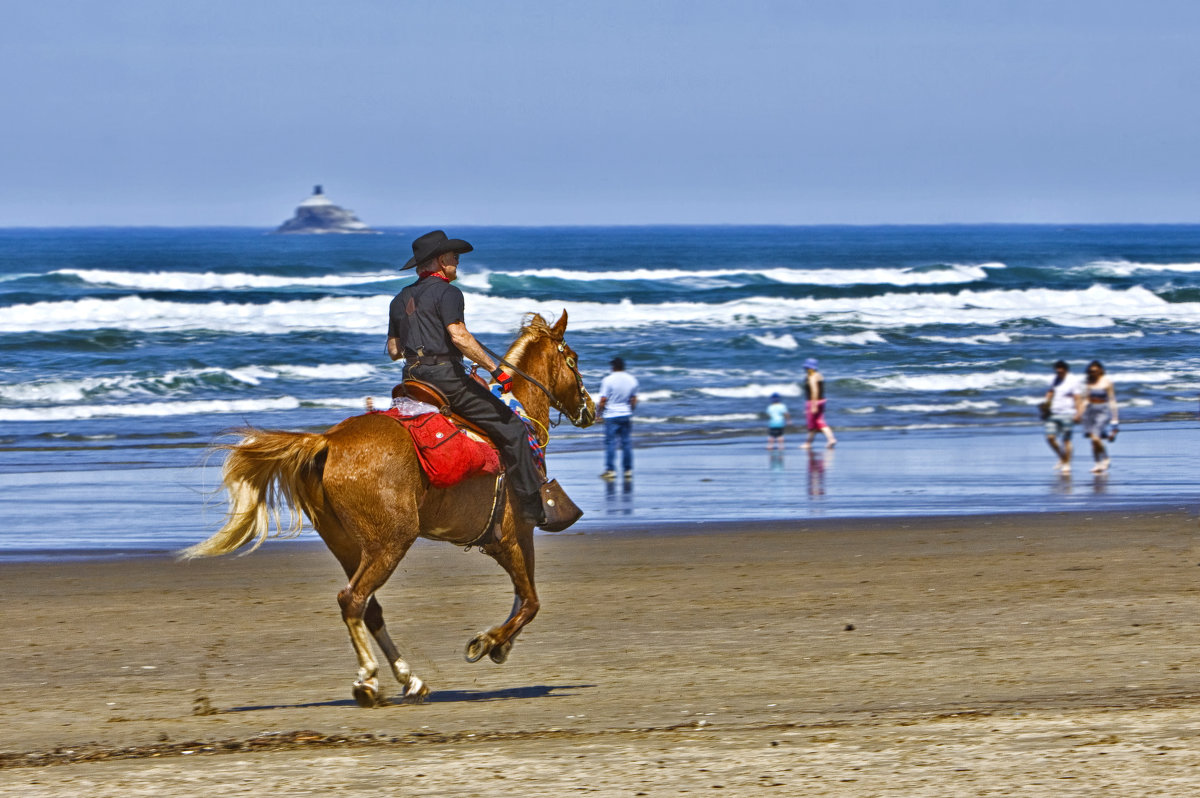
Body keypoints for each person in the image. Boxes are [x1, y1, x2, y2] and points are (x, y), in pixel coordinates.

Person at [386, 230, 553, 527]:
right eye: (453, 256)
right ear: (440, 261)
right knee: (512, 428)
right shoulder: (450, 293)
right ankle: (531, 507)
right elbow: (459, 335)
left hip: (411, 379)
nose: (457, 261)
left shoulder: (400, 299)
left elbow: (394, 350)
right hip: (445, 380)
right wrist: (495, 370)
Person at [597, 357, 638, 480]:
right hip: (625, 414)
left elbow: (603, 400)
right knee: (626, 443)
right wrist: (629, 410)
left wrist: (598, 413)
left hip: (611, 415)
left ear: (613, 367)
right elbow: (633, 399)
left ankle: (610, 470)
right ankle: (627, 470)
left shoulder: (608, 380)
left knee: (611, 443)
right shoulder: (632, 380)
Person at [1042, 359, 1084, 475]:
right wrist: (1046, 404)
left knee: (1066, 440)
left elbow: (1078, 398)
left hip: (1068, 413)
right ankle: (1062, 457)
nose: (1058, 373)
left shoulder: (1073, 381)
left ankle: (1067, 463)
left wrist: (1079, 413)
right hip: (1053, 412)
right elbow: (1050, 392)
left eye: (1060, 372)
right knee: (1050, 438)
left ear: (1066, 370)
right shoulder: (1055, 379)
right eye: (1057, 371)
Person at [1081, 360, 1118, 473]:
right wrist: (1079, 413)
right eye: (1091, 371)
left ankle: (1106, 458)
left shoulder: (1107, 382)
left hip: (1102, 411)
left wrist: (1115, 419)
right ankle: (1097, 463)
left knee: (1095, 437)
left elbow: (1112, 400)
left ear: (1100, 370)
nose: (1094, 373)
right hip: (1089, 412)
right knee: (1093, 441)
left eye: (1096, 371)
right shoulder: (1089, 382)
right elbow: (1086, 399)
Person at [801, 358, 837, 449]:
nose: (806, 369)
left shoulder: (812, 376)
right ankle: (831, 439)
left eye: (807, 368)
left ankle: (808, 443)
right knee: (819, 422)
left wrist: (813, 405)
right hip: (821, 400)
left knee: (812, 424)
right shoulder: (819, 375)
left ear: (810, 368)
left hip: (814, 401)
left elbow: (814, 391)